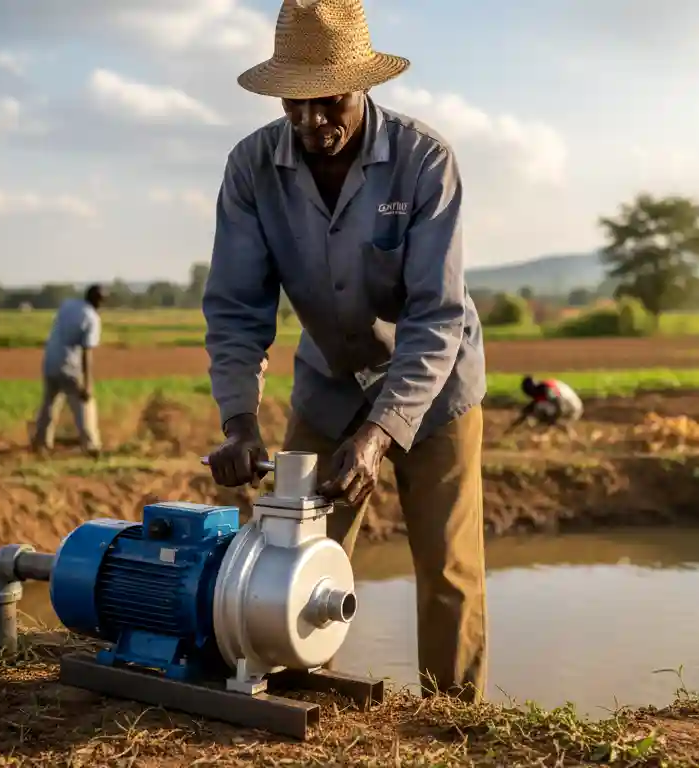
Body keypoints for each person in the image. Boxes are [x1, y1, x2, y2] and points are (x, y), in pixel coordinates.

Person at [201, 0, 488, 703]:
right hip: (329, 384)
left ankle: (452, 723)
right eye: (294, 106)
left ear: (363, 87)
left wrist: (382, 431)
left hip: (435, 386)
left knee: (448, 568)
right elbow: (238, 308)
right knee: (286, 558)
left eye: (328, 103)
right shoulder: (251, 169)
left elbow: (435, 313)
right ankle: (292, 699)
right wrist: (239, 421)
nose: (311, 124)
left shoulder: (424, 162)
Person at [32, 284, 104, 456]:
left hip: (50, 360)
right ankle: (91, 445)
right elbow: (87, 352)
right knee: (84, 403)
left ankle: (41, 443)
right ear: (99, 302)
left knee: (50, 403)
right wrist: (87, 384)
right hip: (69, 365)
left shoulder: (68, 305)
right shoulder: (92, 318)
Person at [506, 375, 584, 435]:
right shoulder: (544, 388)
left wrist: (550, 423)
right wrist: (511, 429)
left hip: (570, 408)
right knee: (542, 412)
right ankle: (560, 431)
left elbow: (559, 405)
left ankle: (561, 431)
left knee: (541, 411)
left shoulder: (547, 391)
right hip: (576, 406)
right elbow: (527, 411)